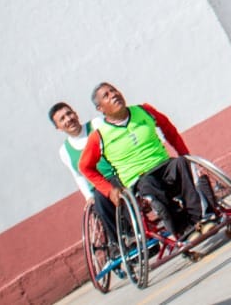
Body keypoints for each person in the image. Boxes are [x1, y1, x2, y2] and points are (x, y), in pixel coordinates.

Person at [79, 83, 213, 244]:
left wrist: (185, 155)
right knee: (150, 186)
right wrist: (108, 190)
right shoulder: (99, 136)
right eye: (106, 95)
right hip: (138, 179)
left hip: (163, 164)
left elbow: (169, 129)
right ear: (100, 108)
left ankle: (201, 219)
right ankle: (184, 230)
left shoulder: (144, 111)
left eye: (114, 90)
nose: (113, 95)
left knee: (183, 164)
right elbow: (85, 167)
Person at [50, 102, 119, 256]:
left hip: (116, 174)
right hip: (98, 186)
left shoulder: (96, 124)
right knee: (99, 199)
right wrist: (88, 197)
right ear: (58, 127)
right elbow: (78, 175)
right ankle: (118, 241)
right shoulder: (64, 151)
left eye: (69, 114)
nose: (68, 119)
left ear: (76, 113)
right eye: (62, 119)